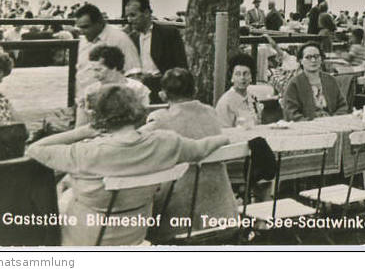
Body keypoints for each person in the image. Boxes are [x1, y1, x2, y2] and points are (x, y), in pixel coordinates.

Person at [27, 84, 228, 246]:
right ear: (135, 110)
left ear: (99, 117)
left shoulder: (87, 153)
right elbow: (201, 148)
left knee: (56, 197)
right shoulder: (165, 143)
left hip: (85, 240)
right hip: (134, 236)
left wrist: (83, 132)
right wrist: (223, 139)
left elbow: (35, 149)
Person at [140, 69, 236, 239]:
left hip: (180, 216)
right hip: (223, 210)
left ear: (163, 95)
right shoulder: (210, 112)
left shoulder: (159, 118)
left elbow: (133, 140)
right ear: (195, 91)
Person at [124, 0, 188, 103]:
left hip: (164, 90)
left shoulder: (168, 34)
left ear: (147, 13)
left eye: (133, 15)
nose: (129, 20)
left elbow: (181, 66)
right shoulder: (131, 38)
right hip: (138, 92)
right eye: (127, 16)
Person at [74, 3, 140, 98]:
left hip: (109, 102)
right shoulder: (84, 40)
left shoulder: (120, 39)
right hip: (83, 100)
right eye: (79, 27)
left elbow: (134, 74)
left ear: (99, 23)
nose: (81, 31)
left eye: (85, 27)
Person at [76, 45, 152, 126]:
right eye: (93, 70)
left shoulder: (138, 88)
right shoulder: (91, 90)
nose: (95, 75)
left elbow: (144, 120)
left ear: (114, 67)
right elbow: (81, 125)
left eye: (99, 70)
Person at [281, 45, 348, 121]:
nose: (313, 60)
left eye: (316, 56)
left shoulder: (331, 80)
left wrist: (333, 120)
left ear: (321, 59)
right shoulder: (294, 84)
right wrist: (311, 123)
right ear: (300, 61)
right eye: (308, 57)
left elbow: (342, 106)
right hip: (307, 128)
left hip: (332, 124)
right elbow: (290, 113)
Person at [215, 53, 260, 128]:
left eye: (246, 74)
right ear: (232, 77)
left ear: (251, 77)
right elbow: (223, 131)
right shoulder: (225, 102)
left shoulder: (252, 98)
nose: (242, 78)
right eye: (238, 74)